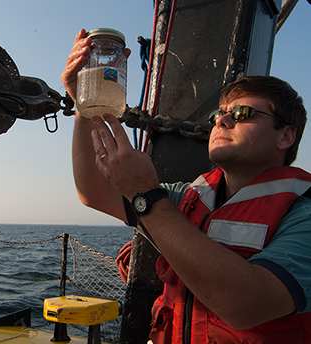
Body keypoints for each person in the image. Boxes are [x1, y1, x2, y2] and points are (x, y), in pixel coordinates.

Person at [62, 28, 311, 343]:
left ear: (285, 136)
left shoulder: (303, 213)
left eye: (242, 114)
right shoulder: (188, 198)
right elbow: (95, 192)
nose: (222, 121)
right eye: (218, 115)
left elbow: (246, 306)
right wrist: (85, 101)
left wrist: (146, 195)